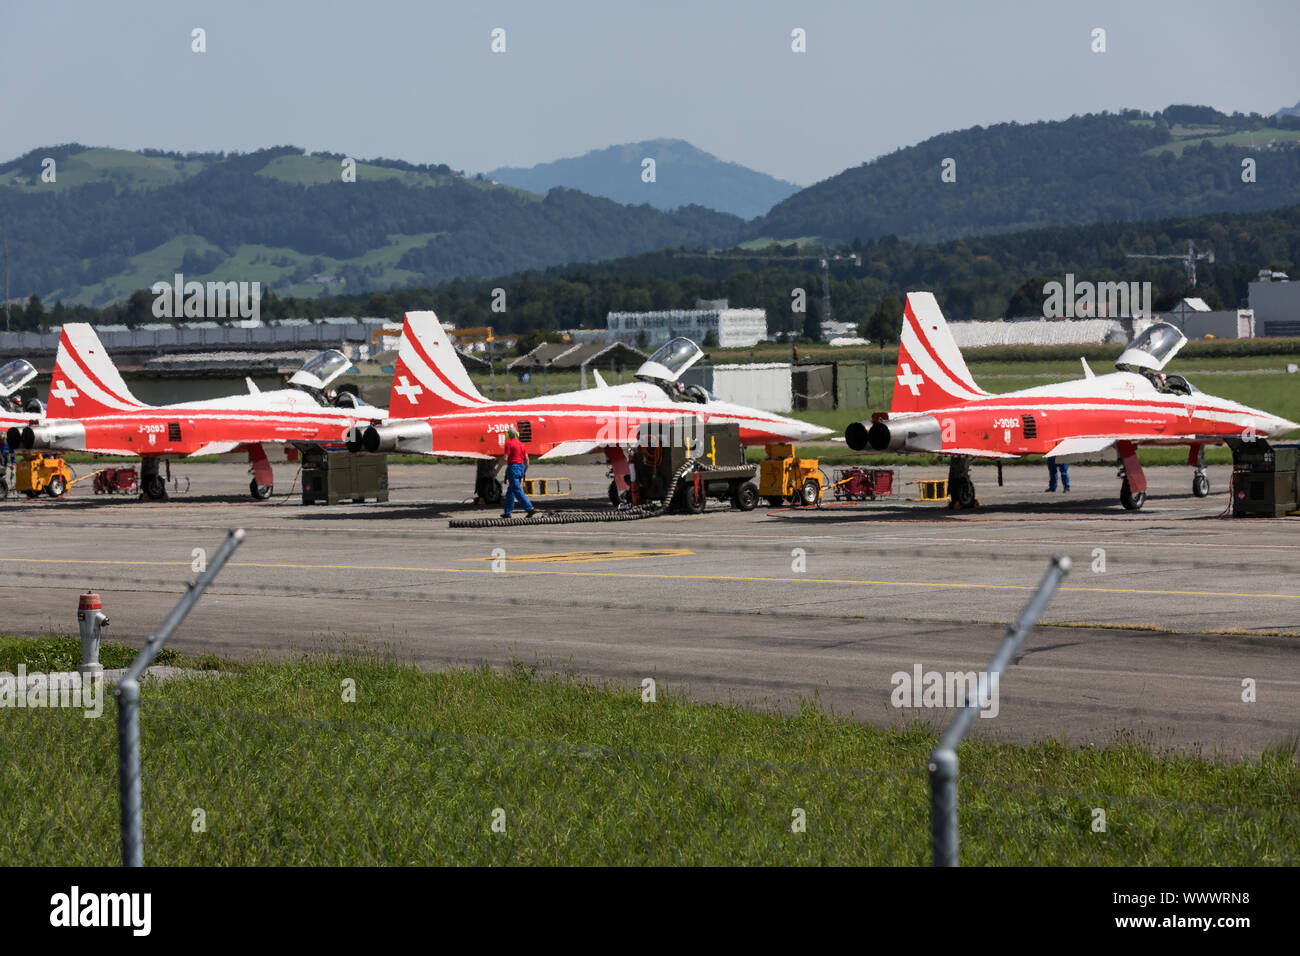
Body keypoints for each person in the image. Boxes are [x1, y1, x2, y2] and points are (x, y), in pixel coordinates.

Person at [501, 426, 534, 519]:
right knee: (510, 491)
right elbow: (527, 460)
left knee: (516, 490)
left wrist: (498, 469)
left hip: (513, 467)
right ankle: (507, 512)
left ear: (508, 435)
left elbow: (505, 458)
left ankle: (530, 508)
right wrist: (524, 472)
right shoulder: (522, 445)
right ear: (517, 434)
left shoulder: (509, 444)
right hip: (521, 467)